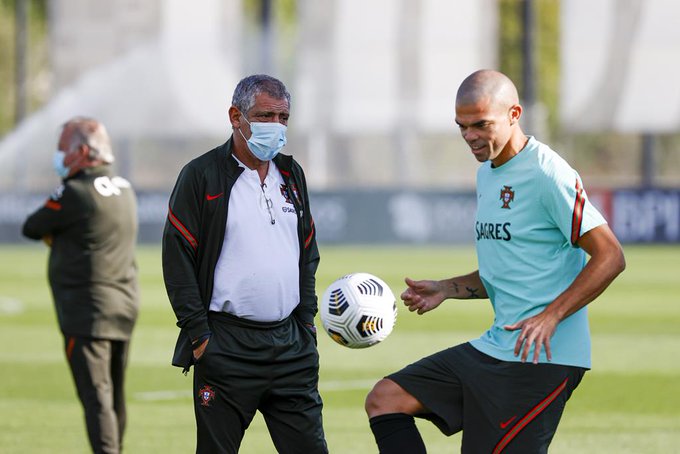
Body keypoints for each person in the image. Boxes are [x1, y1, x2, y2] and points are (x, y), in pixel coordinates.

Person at [365, 69, 626, 453]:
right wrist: (446, 288)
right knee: (385, 399)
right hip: (498, 346)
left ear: (514, 114)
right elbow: (510, 269)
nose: (470, 136)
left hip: (540, 360)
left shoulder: (546, 172)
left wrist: (550, 315)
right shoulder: (487, 173)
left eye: (481, 124)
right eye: (462, 126)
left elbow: (611, 256)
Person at [162, 74, 327, 454]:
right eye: (265, 115)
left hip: (291, 346)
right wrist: (200, 338)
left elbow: (308, 253)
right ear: (236, 116)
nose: (277, 126)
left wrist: (306, 325)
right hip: (226, 345)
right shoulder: (201, 175)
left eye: (284, 117)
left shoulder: (291, 173)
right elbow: (177, 261)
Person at [22, 117, 139, 454]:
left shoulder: (75, 191)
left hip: (88, 310)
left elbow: (32, 226)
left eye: (63, 150)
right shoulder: (125, 189)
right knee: (114, 395)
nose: (59, 158)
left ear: (83, 151)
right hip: (125, 305)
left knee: (96, 398)